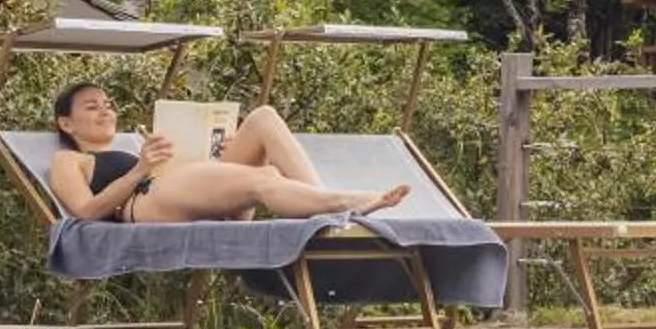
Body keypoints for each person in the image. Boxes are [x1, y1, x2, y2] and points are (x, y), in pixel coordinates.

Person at [44, 82, 409, 225]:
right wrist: (140, 170)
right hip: (149, 203)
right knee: (264, 178)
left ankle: (323, 206)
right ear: (66, 124)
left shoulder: (133, 146)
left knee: (263, 119)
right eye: (92, 107)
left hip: (179, 188)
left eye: (109, 104)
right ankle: (345, 204)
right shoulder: (68, 160)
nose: (106, 111)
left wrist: (214, 153)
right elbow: (86, 212)